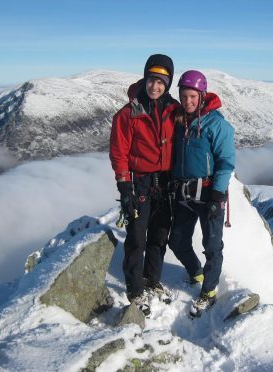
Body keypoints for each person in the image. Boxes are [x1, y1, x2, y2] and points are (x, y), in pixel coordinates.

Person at [110, 54, 179, 316]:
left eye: (161, 82)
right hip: (139, 183)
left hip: (166, 183)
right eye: (152, 80)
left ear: (168, 83)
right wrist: (124, 187)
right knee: (137, 236)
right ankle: (134, 288)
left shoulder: (174, 110)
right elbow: (119, 153)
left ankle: (152, 279)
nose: (155, 86)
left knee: (159, 235)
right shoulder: (128, 113)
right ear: (145, 79)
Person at [168, 70, 236, 317]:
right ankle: (196, 272)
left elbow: (226, 162)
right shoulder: (180, 122)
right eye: (184, 96)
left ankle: (208, 290)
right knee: (176, 240)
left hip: (208, 194)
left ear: (202, 96)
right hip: (184, 194)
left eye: (193, 96)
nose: (188, 101)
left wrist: (217, 197)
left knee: (212, 245)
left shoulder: (217, 125)